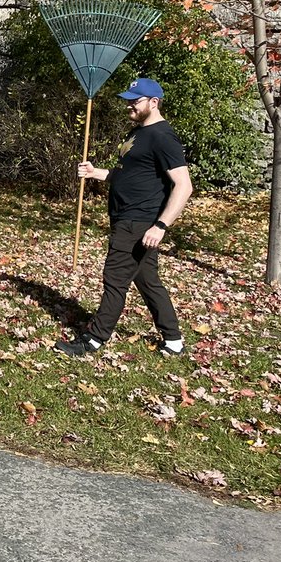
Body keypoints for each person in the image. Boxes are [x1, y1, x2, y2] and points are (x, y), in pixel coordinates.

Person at [56, 78, 193, 358]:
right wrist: (96, 173)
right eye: (129, 99)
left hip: (139, 222)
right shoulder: (138, 133)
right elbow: (127, 176)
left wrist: (161, 225)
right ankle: (174, 341)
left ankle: (92, 340)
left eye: (136, 100)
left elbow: (184, 185)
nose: (130, 104)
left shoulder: (162, 136)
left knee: (114, 279)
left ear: (153, 102)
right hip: (126, 218)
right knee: (147, 280)